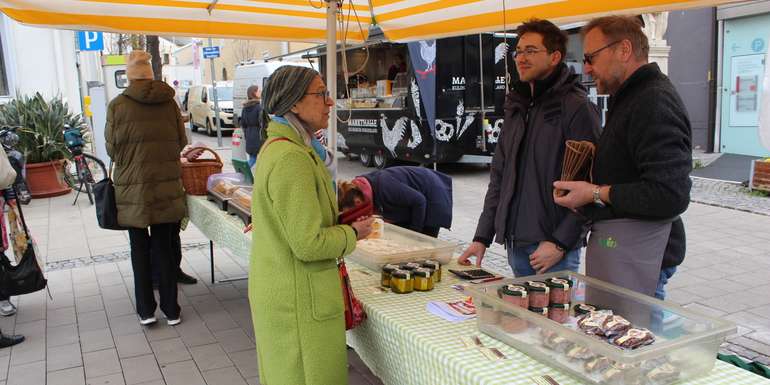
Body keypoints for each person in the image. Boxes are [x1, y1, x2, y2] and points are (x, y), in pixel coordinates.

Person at [249, 65, 373, 385]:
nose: (330, 103)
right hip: (299, 304)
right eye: (321, 94)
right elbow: (308, 243)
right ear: (293, 103)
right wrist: (352, 233)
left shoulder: (287, 149)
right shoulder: (291, 158)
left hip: (288, 295)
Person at [553, 16, 692, 299]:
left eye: (591, 57)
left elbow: (670, 194)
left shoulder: (653, 101)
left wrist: (594, 193)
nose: (587, 68)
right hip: (623, 249)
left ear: (624, 50)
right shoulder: (631, 96)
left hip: (641, 254)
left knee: (628, 339)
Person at [458, 19, 600, 276]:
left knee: (550, 317)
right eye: (519, 51)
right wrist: (482, 236)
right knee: (519, 316)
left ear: (555, 56)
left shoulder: (576, 107)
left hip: (551, 250)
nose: (521, 58)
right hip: (515, 243)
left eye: (531, 51)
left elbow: (593, 185)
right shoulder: (517, 105)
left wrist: (560, 242)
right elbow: (499, 178)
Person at [106, 50, 187, 325]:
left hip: (133, 188)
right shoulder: (169, 102)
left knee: (139, 249)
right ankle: (172, 310)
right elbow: (181, 140)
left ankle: (145, 311)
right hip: (165, 185)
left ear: (129, 75)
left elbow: (112, 149)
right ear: (150, 73)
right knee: (165, 247)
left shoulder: (118, 105)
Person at [338, 166, 452, 238]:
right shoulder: (361, 188)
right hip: (416, 200)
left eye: (352, 212)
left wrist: (413, 234)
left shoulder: (385, 187)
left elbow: (419, 201)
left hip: (433, 196)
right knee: (401, 237)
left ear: (357, 202)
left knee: (423, 246)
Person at [240, 85, 263, 168]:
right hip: (257, 135)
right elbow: (262, 122)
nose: (260, 92)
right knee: (254, 158)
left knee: (252, 156)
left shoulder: (245, 107)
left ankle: (248, 175)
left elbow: (243, 123)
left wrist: (246, 133)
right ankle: (243, 172)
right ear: (254, 93)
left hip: (249, 134)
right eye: (258, 91)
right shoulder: (258, 107)